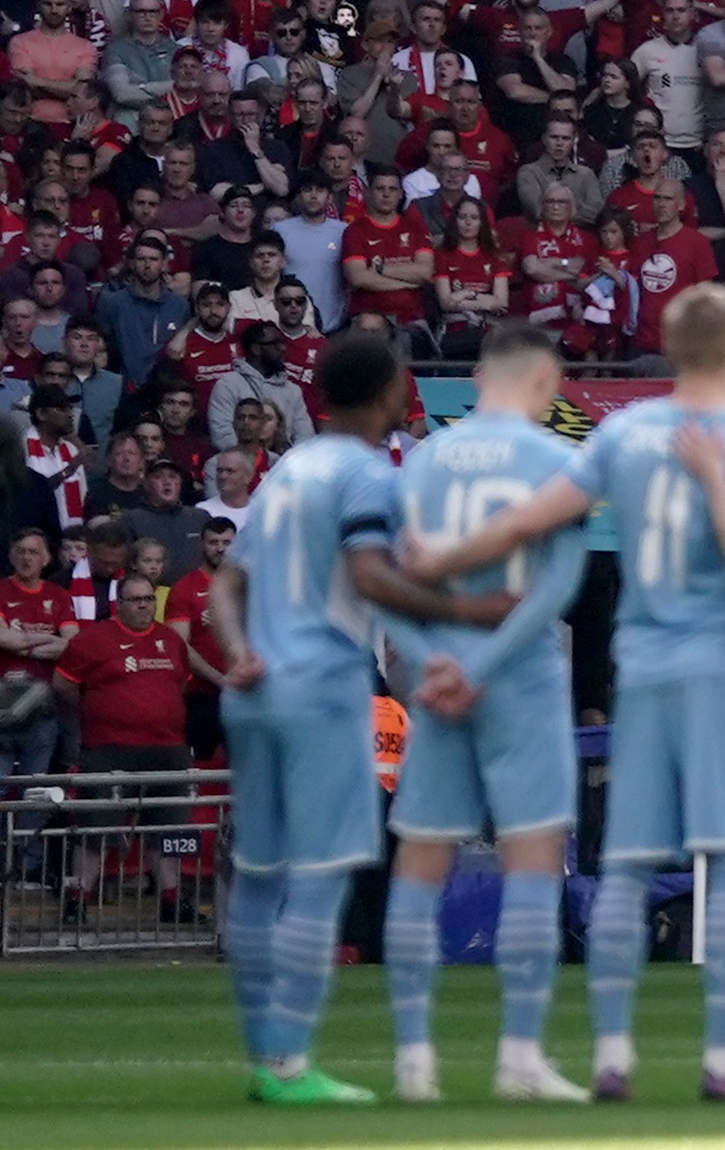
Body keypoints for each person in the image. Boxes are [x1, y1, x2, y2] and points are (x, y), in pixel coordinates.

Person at [396, 286, 725, 1103]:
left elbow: (530, 522)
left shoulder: (620, 432)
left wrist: (436, 568)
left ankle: (612, 1056)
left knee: (623, 863)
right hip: (723, 661)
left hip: (643, 664)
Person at [206, 328, 485, 1107]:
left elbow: (226, 585)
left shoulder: (286, 471)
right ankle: (291, 1064)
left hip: (257, 688)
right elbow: (372, 575)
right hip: (324, 689)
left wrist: (239, 653)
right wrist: (455, 623)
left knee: (260, 879)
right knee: (324, 875)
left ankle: (267, 1059)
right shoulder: (369, 476)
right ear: (391, 390)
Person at [376, 320, 592, 1104]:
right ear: (544, 378)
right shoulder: (553, 460)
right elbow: (560, 585)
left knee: (421, 863)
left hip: (434, 679)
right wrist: (490, 663)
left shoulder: (424, 459)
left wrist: (434, 662)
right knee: (533, 861)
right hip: (521, 676)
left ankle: (413, 1061)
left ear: (475, 376)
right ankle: (520, 1058)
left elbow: (387, 577)